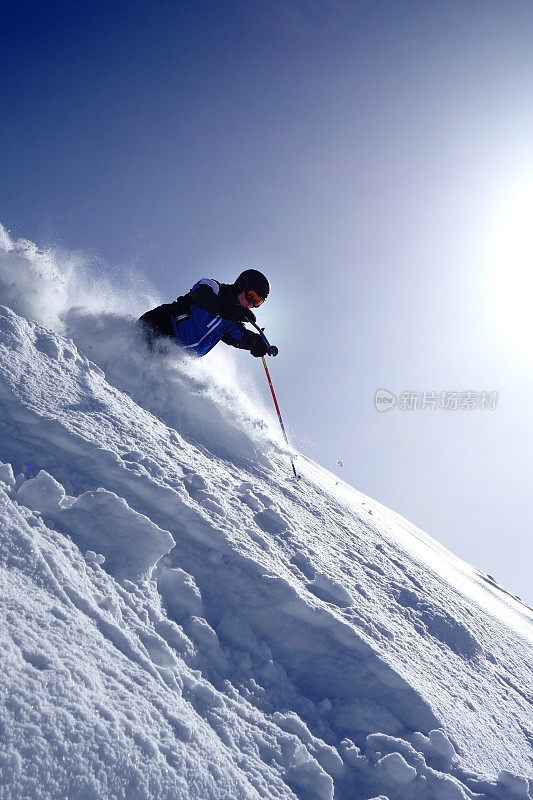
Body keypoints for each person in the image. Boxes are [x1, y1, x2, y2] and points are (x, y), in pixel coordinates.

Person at [138, 269, 278, 358]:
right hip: (158, 325)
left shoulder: (231, 323)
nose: (251, 304)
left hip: (166, 352)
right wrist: (230, 311)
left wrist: (255, 343)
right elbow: (201, 297)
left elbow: (240, 337)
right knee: (133, 356)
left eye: (258, 302)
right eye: (252, 296)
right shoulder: (214, 288)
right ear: (241, 285)